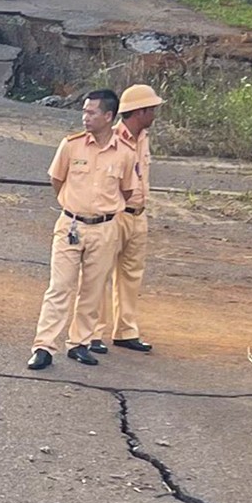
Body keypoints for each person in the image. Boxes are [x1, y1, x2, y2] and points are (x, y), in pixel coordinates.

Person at [27, 88, 140, 371]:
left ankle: (79, 343)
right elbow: (57, 180)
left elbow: (126, 191)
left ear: (108, 116)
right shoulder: (72, 145)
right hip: (71, 224)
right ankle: (43, 346)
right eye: (84, 111)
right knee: (60, 287)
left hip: (105, 228)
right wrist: (75, 207)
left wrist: (103, 212)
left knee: (93, 289)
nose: (85, 117)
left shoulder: (125, 153)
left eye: (91, 112)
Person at [103, 82, 162, 353]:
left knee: (130, 276)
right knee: (98, 274)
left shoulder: (144, 138)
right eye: (152, 110)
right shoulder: (111, 138)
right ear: (140, 112)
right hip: (115, 215)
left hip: (138, 215)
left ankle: (125, 331)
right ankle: (90, 333)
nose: (155, 115)